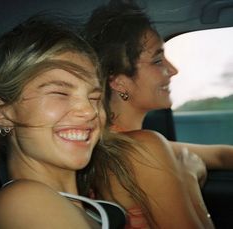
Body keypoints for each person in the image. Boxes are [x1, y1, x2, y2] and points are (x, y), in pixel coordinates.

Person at [83, 0, 233, 228]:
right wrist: (188, 181)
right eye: (157, 60)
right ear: (119, 82)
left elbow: (222, 155)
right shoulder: (141, 149)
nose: (173, 70)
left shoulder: (122, 143)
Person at [0, 14, 128, 229]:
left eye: (95, 98)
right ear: (2, 113)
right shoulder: (24, 202)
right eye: (60, 93)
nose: (89, 111)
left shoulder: (86, 206)